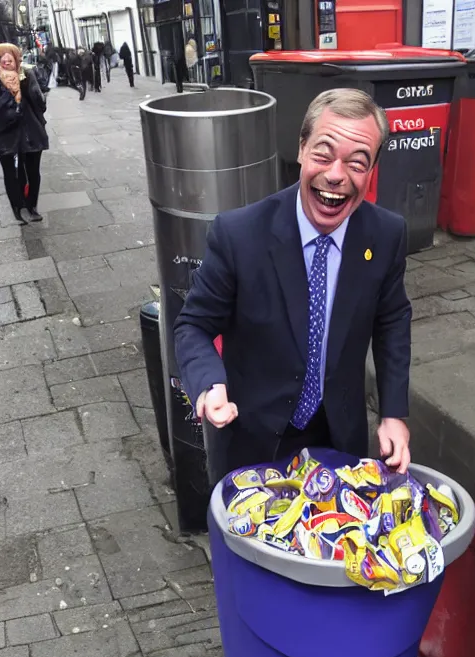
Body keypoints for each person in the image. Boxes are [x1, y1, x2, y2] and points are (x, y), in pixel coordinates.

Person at [174, 88, 412, 483]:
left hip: (338, 438)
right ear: (301, 149)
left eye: (357, 162)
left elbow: (391, 322)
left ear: (372, 171)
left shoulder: (385, 236)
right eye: (323, 154)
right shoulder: (240, 235)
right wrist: (209, 384)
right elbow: (193, 325)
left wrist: (393, 413)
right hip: (250, 441)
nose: (336, 175)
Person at [0, 43, 48, 223]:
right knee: (12, 173)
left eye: (9, 56)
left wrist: (28, 85)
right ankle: (17, 208)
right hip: (5, 134)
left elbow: (41, 103)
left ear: (16, 58)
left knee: (33, 171)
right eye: (1, 57)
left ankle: (32, 206)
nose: (6, 60)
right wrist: (9, 93)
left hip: (31, 131)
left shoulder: (27, 75)